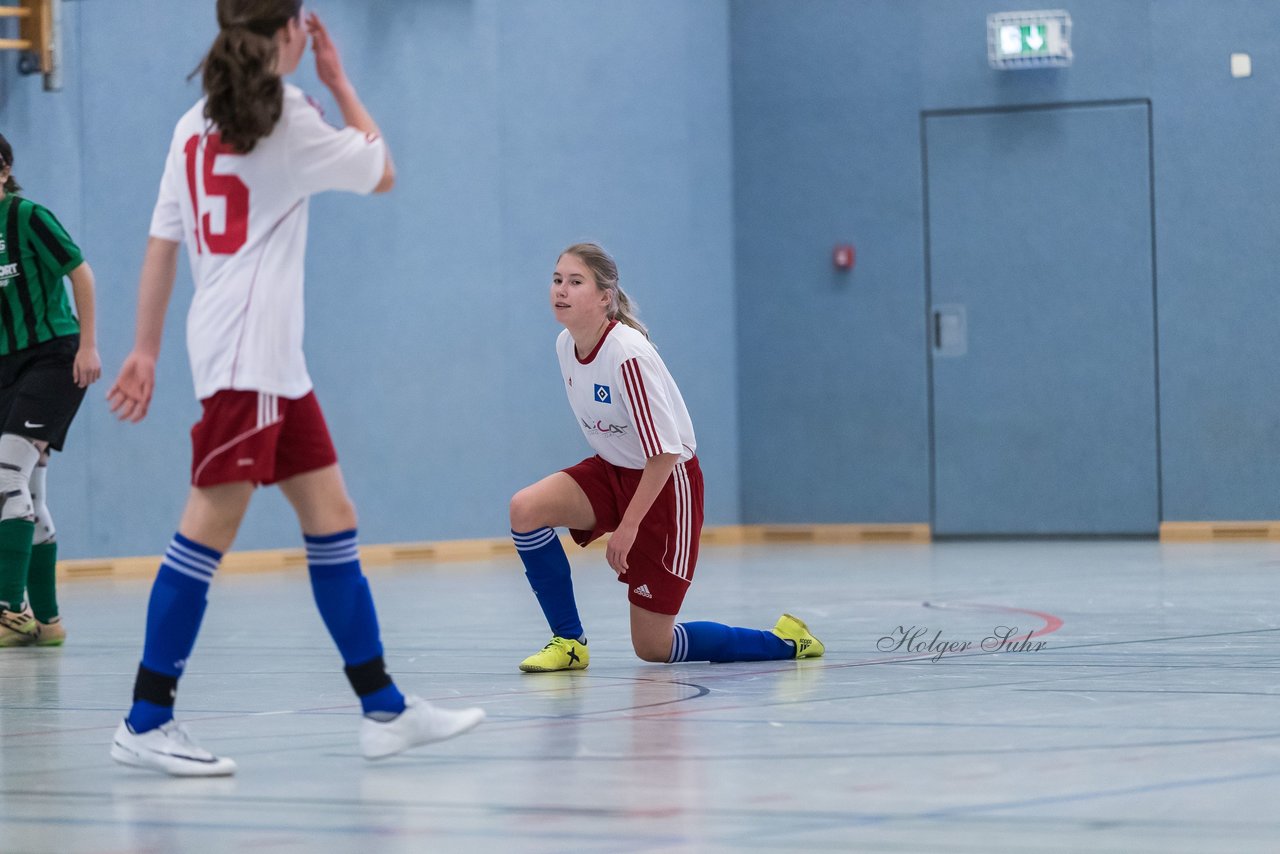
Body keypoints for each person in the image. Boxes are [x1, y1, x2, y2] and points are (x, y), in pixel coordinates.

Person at [105, 0, 482, 777]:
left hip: (264, 362)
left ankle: (382, 707)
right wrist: (341, 84)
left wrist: (145, 348)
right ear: (289, 34)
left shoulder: (191, 124)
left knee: (332, 515)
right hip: (251, 362)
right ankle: (146, 718)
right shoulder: (292, 115)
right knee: (206, 530)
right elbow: (383, 170)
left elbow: (159, 244)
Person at [509, 242, 825, 671]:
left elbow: (664, 453)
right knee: (526, 509)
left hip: (666, 486)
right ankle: (569, 642)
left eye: (576, 282)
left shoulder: (627, 354)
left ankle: (786, 641)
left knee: (653, 647)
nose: (561, 290)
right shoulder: (565, 344)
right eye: (557, 279)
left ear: (605, 296)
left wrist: (627, 528)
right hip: (613, 470)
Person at [0, 132, 101, 648]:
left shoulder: (28, 216)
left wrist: (89, 345)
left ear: (4, 169)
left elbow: (80, 273)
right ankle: (49, 621)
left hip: (55, 356)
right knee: (29, 491)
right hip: (6, 367)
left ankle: (6, 608)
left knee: (4, 473)